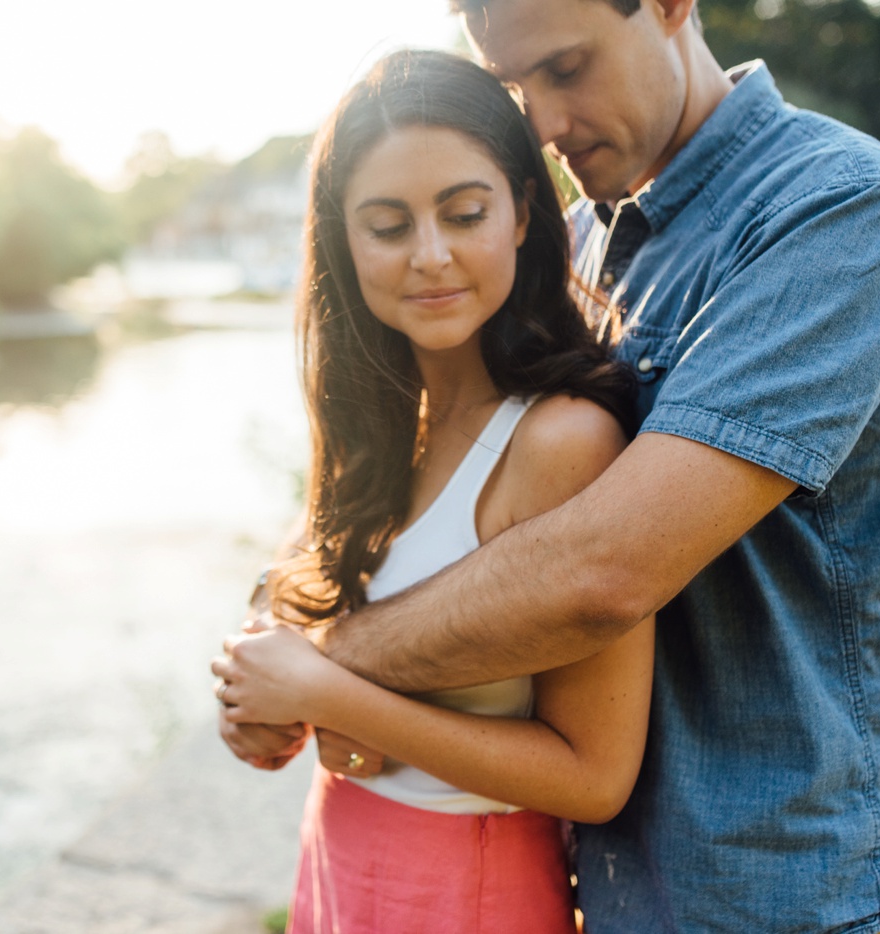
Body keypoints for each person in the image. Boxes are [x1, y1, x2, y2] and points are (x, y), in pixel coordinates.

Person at [220, 0, 880, 931]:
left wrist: (326, 666)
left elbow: (602, 571)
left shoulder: (837, 208)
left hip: (789, 876)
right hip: (616, 874)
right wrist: (281, 609)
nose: (537, 124)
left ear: (670, 7)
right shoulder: (578, 241)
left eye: (566, 68)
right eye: (511, 86)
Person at [211, 49, 655, 933]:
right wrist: (253, 693)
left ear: (523, 213)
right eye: (386, 225)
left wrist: (323, 694)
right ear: (341, 240)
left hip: (468, 889)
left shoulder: (561, 440)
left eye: (464, 213)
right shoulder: (383, 422)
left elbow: (595, 777)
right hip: (340, 860)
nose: (431, 256)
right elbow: (317, 624)